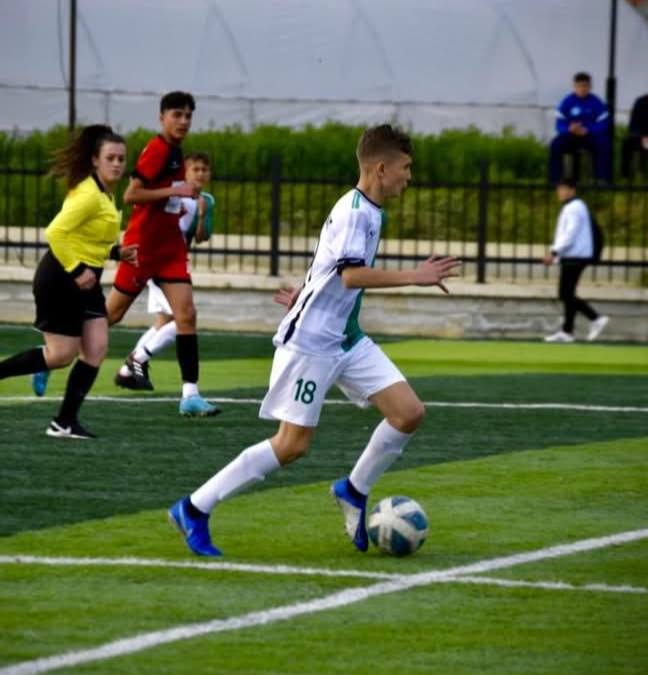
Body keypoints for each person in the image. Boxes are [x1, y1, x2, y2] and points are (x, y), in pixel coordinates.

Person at [168, 124, 460, 556]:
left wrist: (306, 296)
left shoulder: (371, 211)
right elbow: (351, 275)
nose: (409, 177)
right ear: (381, 168)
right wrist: (415, 276)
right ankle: (195, 508)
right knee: (291, 445)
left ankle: (354, 490)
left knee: (408, 413)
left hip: (345, 337)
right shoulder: (355, 212)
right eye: (405, 167)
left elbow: (329, 270)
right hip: (311, 344)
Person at [0, 125, 138, 438]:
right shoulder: (88, 194)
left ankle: (64, 422)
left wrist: (116, 252)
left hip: (85, 282)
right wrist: (76, 271)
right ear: (95, 160)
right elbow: (56, 232)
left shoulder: (105, 194)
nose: (117, 164)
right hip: (61, 279)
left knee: (96, 348)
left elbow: (86, 239)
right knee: (60, 356)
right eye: (110, 158)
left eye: (121, 158)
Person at [104, 91, 220, 417]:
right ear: (162, 118)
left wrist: (183, 200)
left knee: (186, 315)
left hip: (169, 248)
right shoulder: (157, 150)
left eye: (188, 116)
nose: (183, 121)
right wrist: (176, 190)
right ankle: (55, 350)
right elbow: (131, 195)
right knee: (110, 316)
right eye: (176, 115)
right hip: (143, 247)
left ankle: (190, 396)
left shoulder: (176, 151)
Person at [115, 152, 215, 390]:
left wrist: (202, 216)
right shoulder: (175, 195)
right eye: (195, 169)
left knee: (165, 321)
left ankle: (126, 371)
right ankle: (137, 359)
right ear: (185, 173)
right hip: (158, 263)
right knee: (183, 319)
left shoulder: (207, 201)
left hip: (174, 266)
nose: (200, 174)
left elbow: (202, 237)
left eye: (204, 170)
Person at [543, 178, 608, 344]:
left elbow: (570, 233)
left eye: (563, 189)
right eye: (559, 189)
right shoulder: (574, 206)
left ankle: (595, 318)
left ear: (572, 190)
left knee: (565, 293)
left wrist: (554, 251)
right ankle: (567, 331)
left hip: (575, 256)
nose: (560, 192)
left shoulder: (574, 208)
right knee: (568, 293)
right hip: (574, 255)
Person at [549, 72, 611, 184]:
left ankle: (602, 180)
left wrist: (588, 130)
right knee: (556, 144)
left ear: (590, 87)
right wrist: (569, 129)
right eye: (579, 86)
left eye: (585, 86)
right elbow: (559, 124)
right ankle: (555, 180)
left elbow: (603, 124)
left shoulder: (597, 103)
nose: (582, 89)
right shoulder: (567, 102)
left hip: (590, 136)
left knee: (604, 144)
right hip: (571, 136)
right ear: (574, 86)